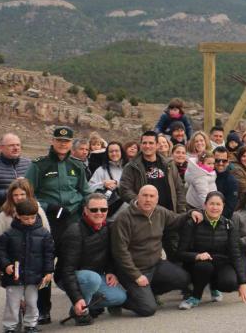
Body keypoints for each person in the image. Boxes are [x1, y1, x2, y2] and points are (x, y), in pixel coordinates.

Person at [26, 125, 90, 324]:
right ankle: (42, 310)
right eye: (59, 140)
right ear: (53, 141)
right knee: (44, 265)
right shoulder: (39, 165)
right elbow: (29, 195)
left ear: (71, 143)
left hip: (72, 221)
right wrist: (48, 206)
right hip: (47, 221)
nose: (63, 144)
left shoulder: (77, 165)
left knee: (72, 264)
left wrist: (87, 207)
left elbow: (85, 191)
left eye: (67, 141)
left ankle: (79, 307)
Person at [110, 185, 198, 317]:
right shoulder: (124, 218)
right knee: (148, 309)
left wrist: (190, 213)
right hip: (134, 269)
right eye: (144, 195)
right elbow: (120, 251)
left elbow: (176, 220)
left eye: (152, 196)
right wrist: (136, 275)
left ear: (157, 199)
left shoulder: (160, 212)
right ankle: (119, 300)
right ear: (137, 197)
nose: (148, 199)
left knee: (182, 279)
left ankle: (147, 293)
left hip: (155, 265)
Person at [55, 193, 127, 325]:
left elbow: (110, 255)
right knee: (92, 279)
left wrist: (111, 271)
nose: (99, 213)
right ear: (85, 210)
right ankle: (80, 311)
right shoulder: (74, 232)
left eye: (103, 209)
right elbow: (67, 270)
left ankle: (86, 304)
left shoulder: (109, 227)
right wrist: (77, 298)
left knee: (119, 297)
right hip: (69, 277)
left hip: (95, 276)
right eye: (94, 210)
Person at [177, 191, 246, 309]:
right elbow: (180, 253)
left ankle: (214, 286)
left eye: (218, 204)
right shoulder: (193, 223)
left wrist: (242, 282)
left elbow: (235, 253)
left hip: (220, 263)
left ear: (223, 206)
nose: (215, 207)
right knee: (204, 267)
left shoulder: (229, 225)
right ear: (205, 205)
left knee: (230, 283)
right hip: (197, 264)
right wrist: (197, 256)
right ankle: (195, 297)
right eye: (211, 204)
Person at [0, 199, 53, 333]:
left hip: (34, 277)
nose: (29, 221)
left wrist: (49, 271)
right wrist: (6, 265)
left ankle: (31, 325)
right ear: (18, 216)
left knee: (32, 302)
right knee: (12, 303)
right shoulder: (9, 234)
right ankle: (10, 326)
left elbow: (49, 254)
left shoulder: (44, 234)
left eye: (32, 217)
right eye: (26, 218)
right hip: (14, 277)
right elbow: (0, 250)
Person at [119, 131, 186, 214]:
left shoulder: (168, 164)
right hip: (144, 216)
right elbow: (124, 190)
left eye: (151, 143)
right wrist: (141, 203)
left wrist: (181, 211)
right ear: (140, 145)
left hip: (170, 215)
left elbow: (179, 189)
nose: (147, 146)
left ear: (157, 145)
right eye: (144, 143)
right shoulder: (131, 166)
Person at [0, 133, 31, 212]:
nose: (16, 148)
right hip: (1, 214)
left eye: (18, 145)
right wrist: (11, 191)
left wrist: (28, 185)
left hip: (26, 215)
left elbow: (38, 190)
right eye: (11, 145)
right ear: (1, 147)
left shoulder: (29, 164)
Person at [89, 142, 126, 218]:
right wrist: (103, 184)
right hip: (109, 213)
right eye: (111, 151)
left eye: (117, 151)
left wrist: (116, 183)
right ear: (107, 154)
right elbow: (89, 188)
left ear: (121, 152)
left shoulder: (128, 168)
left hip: (127, 212)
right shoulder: (101, 170)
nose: (114, 153)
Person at [212, 147, 239, 220]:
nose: (220, 163)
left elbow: (230, 206)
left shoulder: (231, 181)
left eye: (224, 161)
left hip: (221, 220)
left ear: (228, 162)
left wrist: (215, 218)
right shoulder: (206, 174)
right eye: (217, 160)